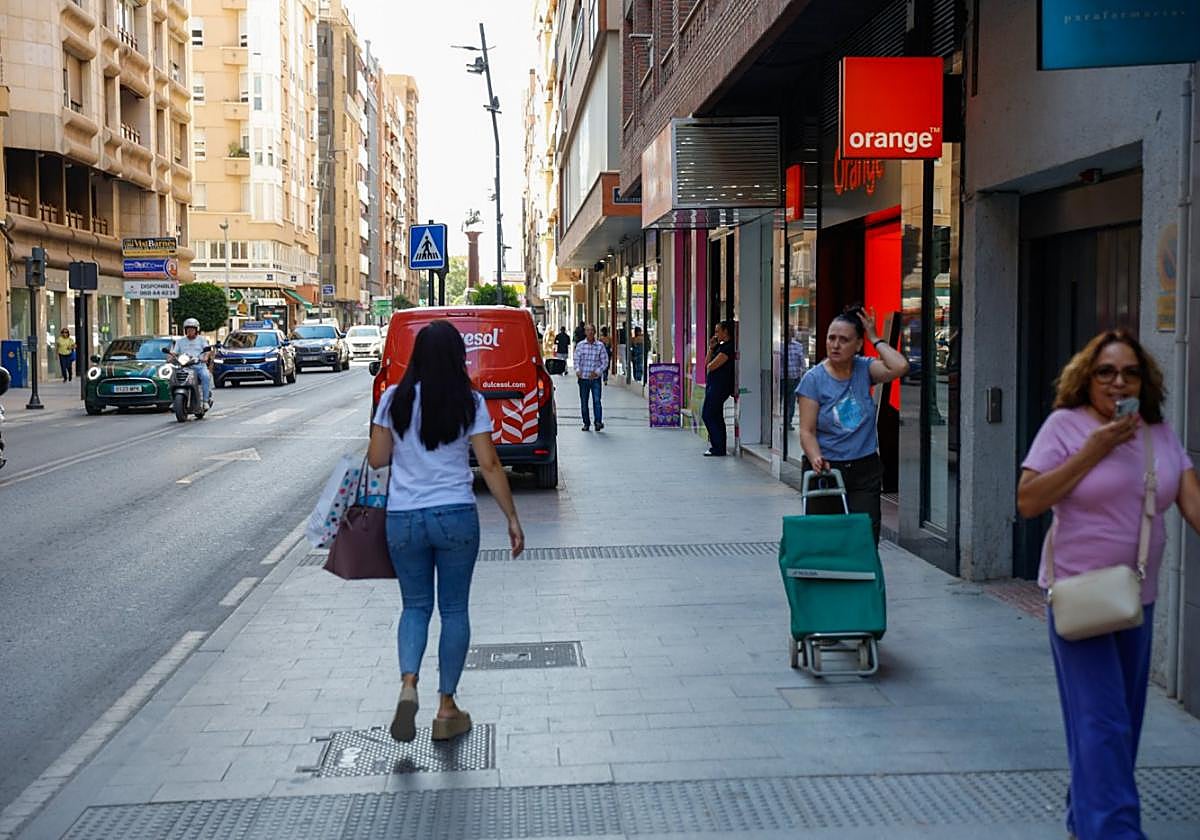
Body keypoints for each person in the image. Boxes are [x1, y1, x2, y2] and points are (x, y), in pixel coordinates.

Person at [1017, 330, 1200, 840]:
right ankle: (1116, 832)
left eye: (1130, 373)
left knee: (1122, 726)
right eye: (1106, 372)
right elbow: (1029, 500)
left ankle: (1085, 817)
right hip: (1080, 599)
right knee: (1104, 726)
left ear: (1145, 381)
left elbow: (1191, 500)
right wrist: (1094, 450)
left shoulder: (1157, 433)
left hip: (1135, 601)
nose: (1118, 382)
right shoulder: (1065, 427)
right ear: (1087, 377)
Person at [367, 320, 525, 744]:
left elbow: (378, 459)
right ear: (458, 357)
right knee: (454, 610)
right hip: (455, 515)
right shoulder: (469, 401)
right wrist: (512, 518)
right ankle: (446, 705)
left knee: (414, 607)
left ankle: (407, 684)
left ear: (416, 356)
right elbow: (489, 465)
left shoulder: (391, 401)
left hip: (404, 518)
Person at [796, 306, 909, 543]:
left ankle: (862, 580)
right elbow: (807, 431)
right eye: (831, 338)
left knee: (864, 538)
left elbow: (900, 366)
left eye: (844, 340)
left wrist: (875, 337)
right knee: (826, 539)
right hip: (826, 469)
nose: (835, 345)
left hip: (864, 469)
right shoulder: (814, 379)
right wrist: (815, 457)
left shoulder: (864, 368)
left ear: (858, 344)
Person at [701, 321, 736, 457]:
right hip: (713, 385)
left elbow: (711, 366)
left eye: (717, 331)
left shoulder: (728, 348)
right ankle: (719, 446)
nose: (715, 335)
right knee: (716, 415)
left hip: (720, 387)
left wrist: (711, 360)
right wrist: (711, 348)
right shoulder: (719, 347)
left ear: (725, 332)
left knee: (708, 414)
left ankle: (718, 446)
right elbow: (706, 364)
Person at [169, 318, 213, 407]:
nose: (190, 331)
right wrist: (170, 357)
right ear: (185, 330)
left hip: (199, 365)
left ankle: (205, 401)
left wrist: (205, 357)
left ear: (196, 330)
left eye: (192, 329)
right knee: (171, 377)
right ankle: (174, 401)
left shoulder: (201, 340)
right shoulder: (180, 341)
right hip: (184, 366)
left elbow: (207, 350)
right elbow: (174, 352)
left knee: (206, 376)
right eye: (188, 329)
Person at [574, 323, 607, 431]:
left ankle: (598, 422)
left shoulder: (600, 346)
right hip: (583, 379)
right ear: (585, 332)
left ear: (595, 332)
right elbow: (576, 360)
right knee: (584, 402)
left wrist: (597, 372)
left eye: (592, 330)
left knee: (597, 401)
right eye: (588, 330)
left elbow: (605, 362)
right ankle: (586, 423)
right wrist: (578, 370)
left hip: (595, 379)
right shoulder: (580, 345)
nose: (590, 332)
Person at [784, 326, 808, 429]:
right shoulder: (779, 345)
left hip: (794, 378)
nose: (789, 334)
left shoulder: (798, 346)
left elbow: (802, 363)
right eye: (787, 332)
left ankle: (788, 421)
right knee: (781, 401)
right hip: (782, 378)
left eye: (791, 332)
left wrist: (803, 375)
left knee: (791, 400)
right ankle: (782, 421)